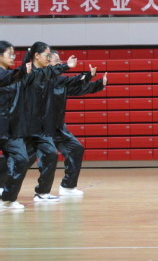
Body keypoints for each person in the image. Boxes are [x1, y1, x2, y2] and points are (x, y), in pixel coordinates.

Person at [18, 42, 77, 202]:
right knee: (19, 160)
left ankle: (42, 193)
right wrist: (66, 66)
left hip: (40, 127)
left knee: (50, 154)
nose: (50, 58)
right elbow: (44, 74)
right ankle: (5, 189)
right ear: (37, 56)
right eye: (47, 55)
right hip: (24, 127)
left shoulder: (46, 75)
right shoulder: (29, 72)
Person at [46, 51, 107, 196]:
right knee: (22, 158)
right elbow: (73, 81)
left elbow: (79, 88)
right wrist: (88, 75)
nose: (59, 63)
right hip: (38, 129)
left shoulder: (61, 82)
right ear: (46, 63)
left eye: (60, 61)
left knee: (76, 149)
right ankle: (4, 186)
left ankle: (68, 186)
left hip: (57, 128)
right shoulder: (40, 80)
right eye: (56, 61)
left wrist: (99, 83)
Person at [0, 41, 31, 209]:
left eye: (14, 54)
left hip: (11, 129)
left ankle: (7, 198)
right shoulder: (8, 76)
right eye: (9, 54)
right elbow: (10, 77)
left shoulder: (12, 75)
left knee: (22, 159)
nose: (13, 57)